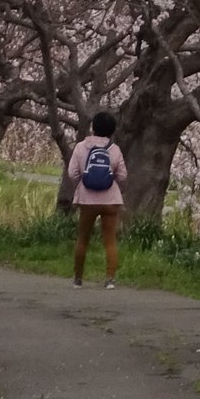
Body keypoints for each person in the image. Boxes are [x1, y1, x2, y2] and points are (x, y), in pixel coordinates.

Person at [66, 111, 128, 288]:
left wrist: (85, 183)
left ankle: (78, 279)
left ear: (93, 128)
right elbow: (122, 176)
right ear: (112, 130)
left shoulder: (80, 147)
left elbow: (72, 173)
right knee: (110, 240)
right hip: (110, 200)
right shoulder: (114, 149)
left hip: (87, 200)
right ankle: (110, 280)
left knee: (83, 238)